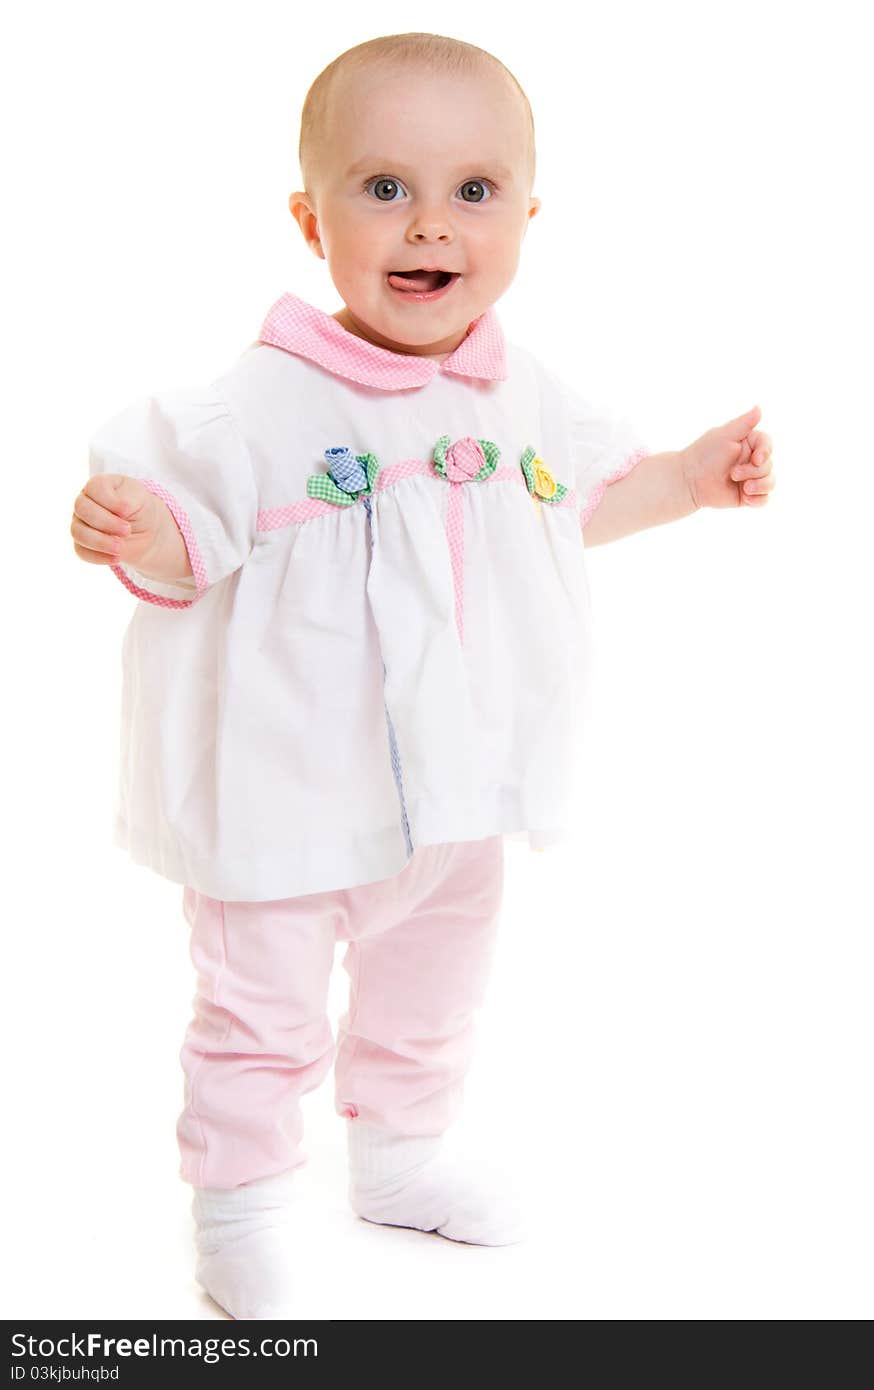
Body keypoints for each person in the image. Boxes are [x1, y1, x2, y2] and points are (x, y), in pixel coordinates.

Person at [71, 32, 775, 1320]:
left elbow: (579, 499)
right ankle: (239, 1203)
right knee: (261, 1006)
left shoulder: (512, 387)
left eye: (473, 191)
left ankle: (400, 1156)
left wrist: (686, 477)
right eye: (383, 188)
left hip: (454, 787)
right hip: (286, 787)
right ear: (310, 216)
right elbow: (192, 533)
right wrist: (149, 533)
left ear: (525, 214)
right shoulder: (263, 404)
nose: (429, 227)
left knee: (435, 977)